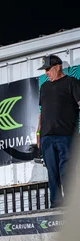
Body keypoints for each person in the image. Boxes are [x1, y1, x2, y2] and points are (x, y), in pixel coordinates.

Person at [36, 54, 80, 208]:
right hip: (47, 136)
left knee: (66, 170)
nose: (46, 72)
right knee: (52, 172)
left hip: (66, 135)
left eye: (48, 69)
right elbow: (42, 111)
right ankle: (56, 204)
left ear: (58, 66)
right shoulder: (44, 87)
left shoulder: (72, 83)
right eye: (45, 70)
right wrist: (38, 133)